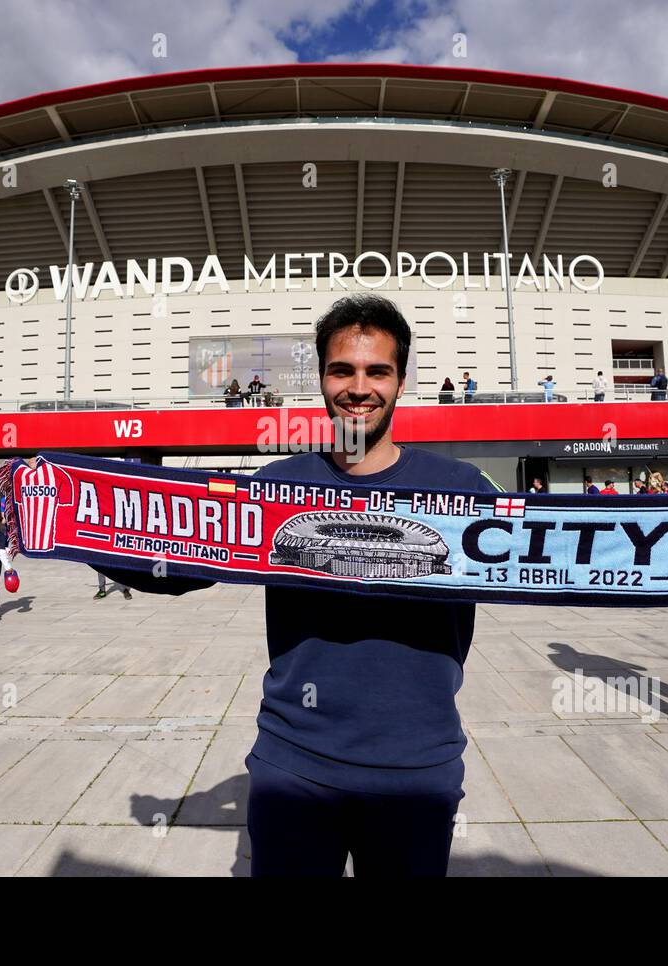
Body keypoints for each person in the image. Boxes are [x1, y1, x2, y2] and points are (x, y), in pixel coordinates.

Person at [91, 294, 502, 877]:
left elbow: (563, 555)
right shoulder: (278, 484)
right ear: (323, 379)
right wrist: (77, 531)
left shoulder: (462, 487)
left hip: (417, 771)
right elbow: (185, 561)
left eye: (377, 371)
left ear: (401, 382)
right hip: (294, 767)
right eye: (343, 370)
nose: (359, 387)